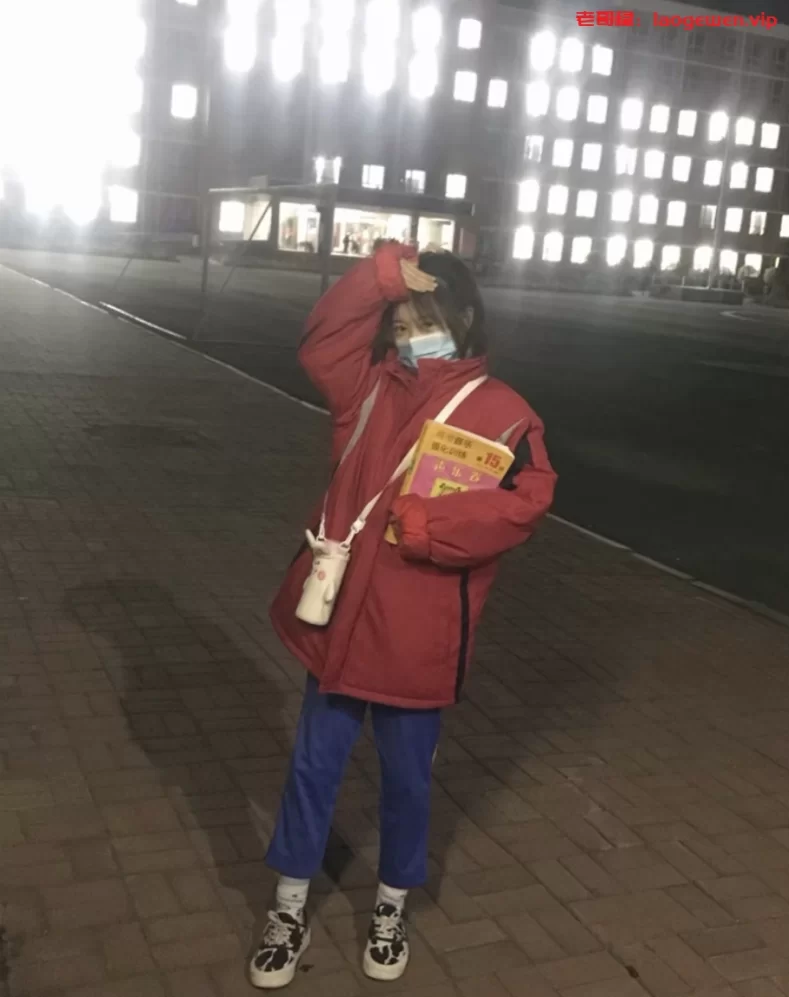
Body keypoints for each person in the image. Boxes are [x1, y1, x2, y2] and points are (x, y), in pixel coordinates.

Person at [249, 243, 557, 989]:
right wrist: (381, 276)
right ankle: (288, 906)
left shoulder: (505, 414)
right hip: (341, 625)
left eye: (429, 321)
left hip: (420, 634)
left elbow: (527, 502)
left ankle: (391, 906)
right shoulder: (367, 390)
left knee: (408, 780)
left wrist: (430, 527)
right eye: (403, 322)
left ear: (465, 318)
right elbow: (324, 339)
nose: (415, 336)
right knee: (312, 768)